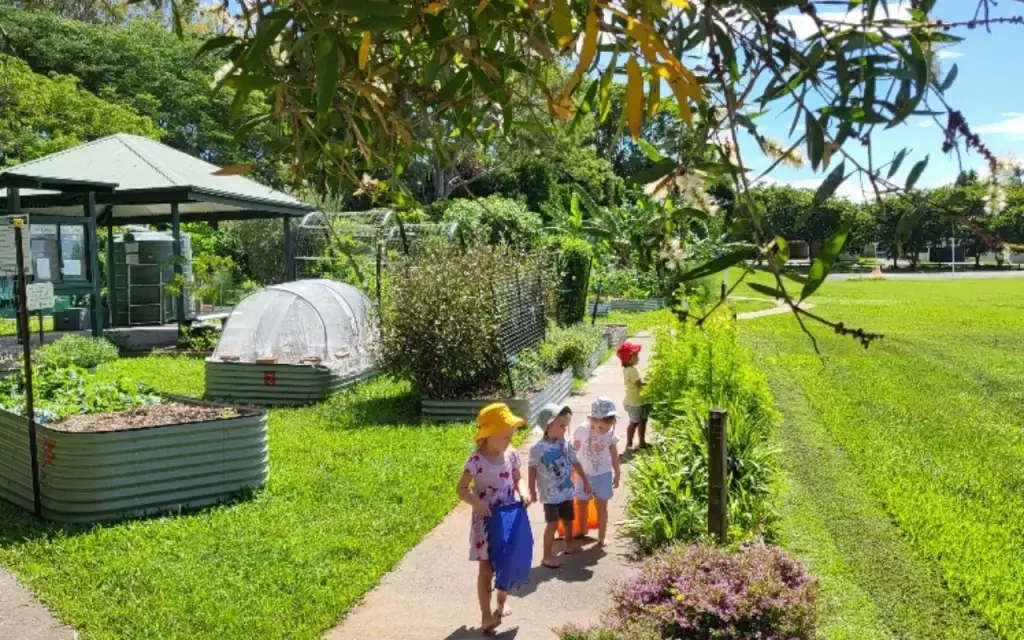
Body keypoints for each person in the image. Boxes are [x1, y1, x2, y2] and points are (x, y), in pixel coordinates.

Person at [456, 403, 531, 635]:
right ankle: (486, 614)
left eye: (511, 435)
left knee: (506, 562)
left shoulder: (512, 455)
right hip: (486, 522)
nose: (510, 439)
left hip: (508, 516)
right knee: (486, 568)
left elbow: (518, 478)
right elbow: (461, 489)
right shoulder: (477, 461)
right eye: (505, 436)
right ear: (488, 436)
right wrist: (477, 503)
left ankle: (502, 602)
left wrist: (524, 490)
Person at [528, 404, 591, 569]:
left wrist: (584, 480)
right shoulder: (538, 449)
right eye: (562, 425)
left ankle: (568, 545)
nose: (565, 429)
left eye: (566, 425)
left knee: (568, 520)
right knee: (552, 523)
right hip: (549, 494)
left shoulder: (566, 443)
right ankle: (546, 556)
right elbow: (532, 469)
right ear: (548, 426)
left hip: (567, 491)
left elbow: (575, 462)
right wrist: (532, 490)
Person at [573, 397, 622, 547]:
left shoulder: (610, 434)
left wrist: (617, 473)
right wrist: (569, 471)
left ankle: (602, 536)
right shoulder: (581, 430)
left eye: (606, 428)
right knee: (581, 503)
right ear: (592, 420)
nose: (603, 431)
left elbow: (614, 455)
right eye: (600, 428)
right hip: (583, 475)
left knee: (602, 506)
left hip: (603, 475)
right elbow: (573, 451)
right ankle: (582, 529)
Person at [617, 341, 648, 449]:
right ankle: (629, 444)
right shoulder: (631, 371)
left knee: (643, 420)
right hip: (634, 403)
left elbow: (638, 381)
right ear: (629, 358)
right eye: (636, 355)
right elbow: (639, 384)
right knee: (635, 422)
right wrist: (652, 382)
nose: (638, 357)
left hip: (638, 400)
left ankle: (641, 442)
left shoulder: (630, 369)